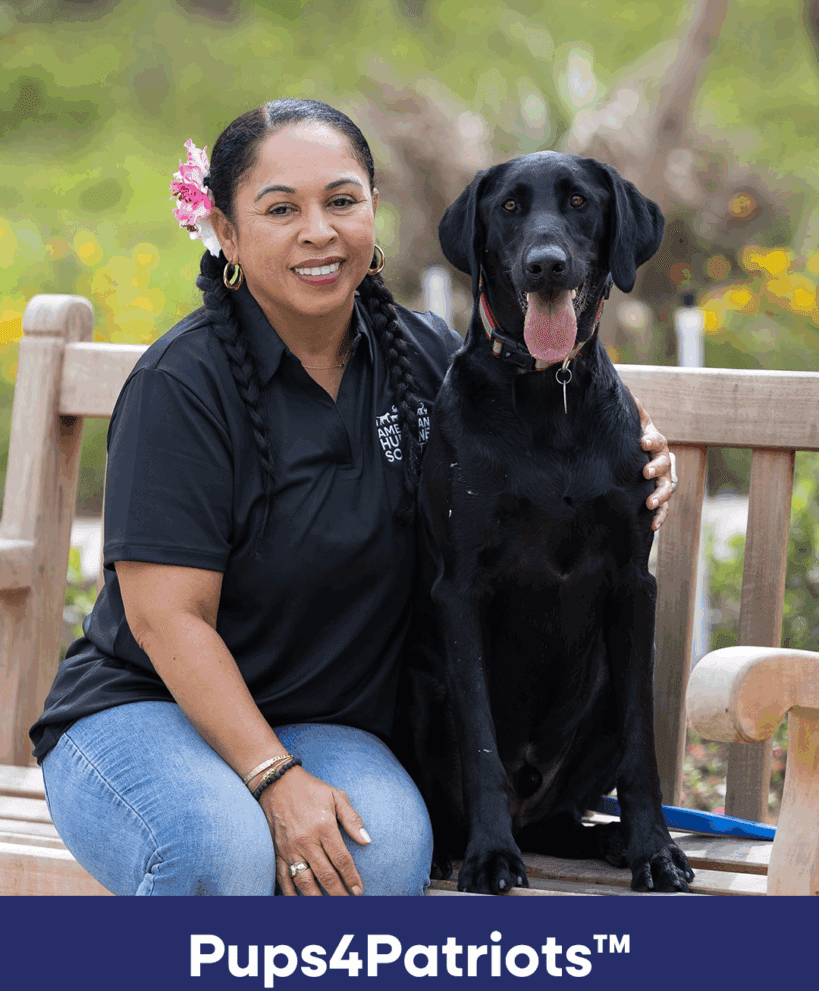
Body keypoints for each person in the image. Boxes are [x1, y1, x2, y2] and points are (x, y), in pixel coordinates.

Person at [29, 99, 675, 897]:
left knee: (381, 858)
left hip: (327, 725)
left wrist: (645, 454)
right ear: (224, 232)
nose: (318, 231)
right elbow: (167, 621)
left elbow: (552, 421)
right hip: (150, 712)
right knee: (218, 854)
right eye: (279, 209)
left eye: (341, 201)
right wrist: (273, 778)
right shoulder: (182, 385)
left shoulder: (432, 360)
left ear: (374, 210)